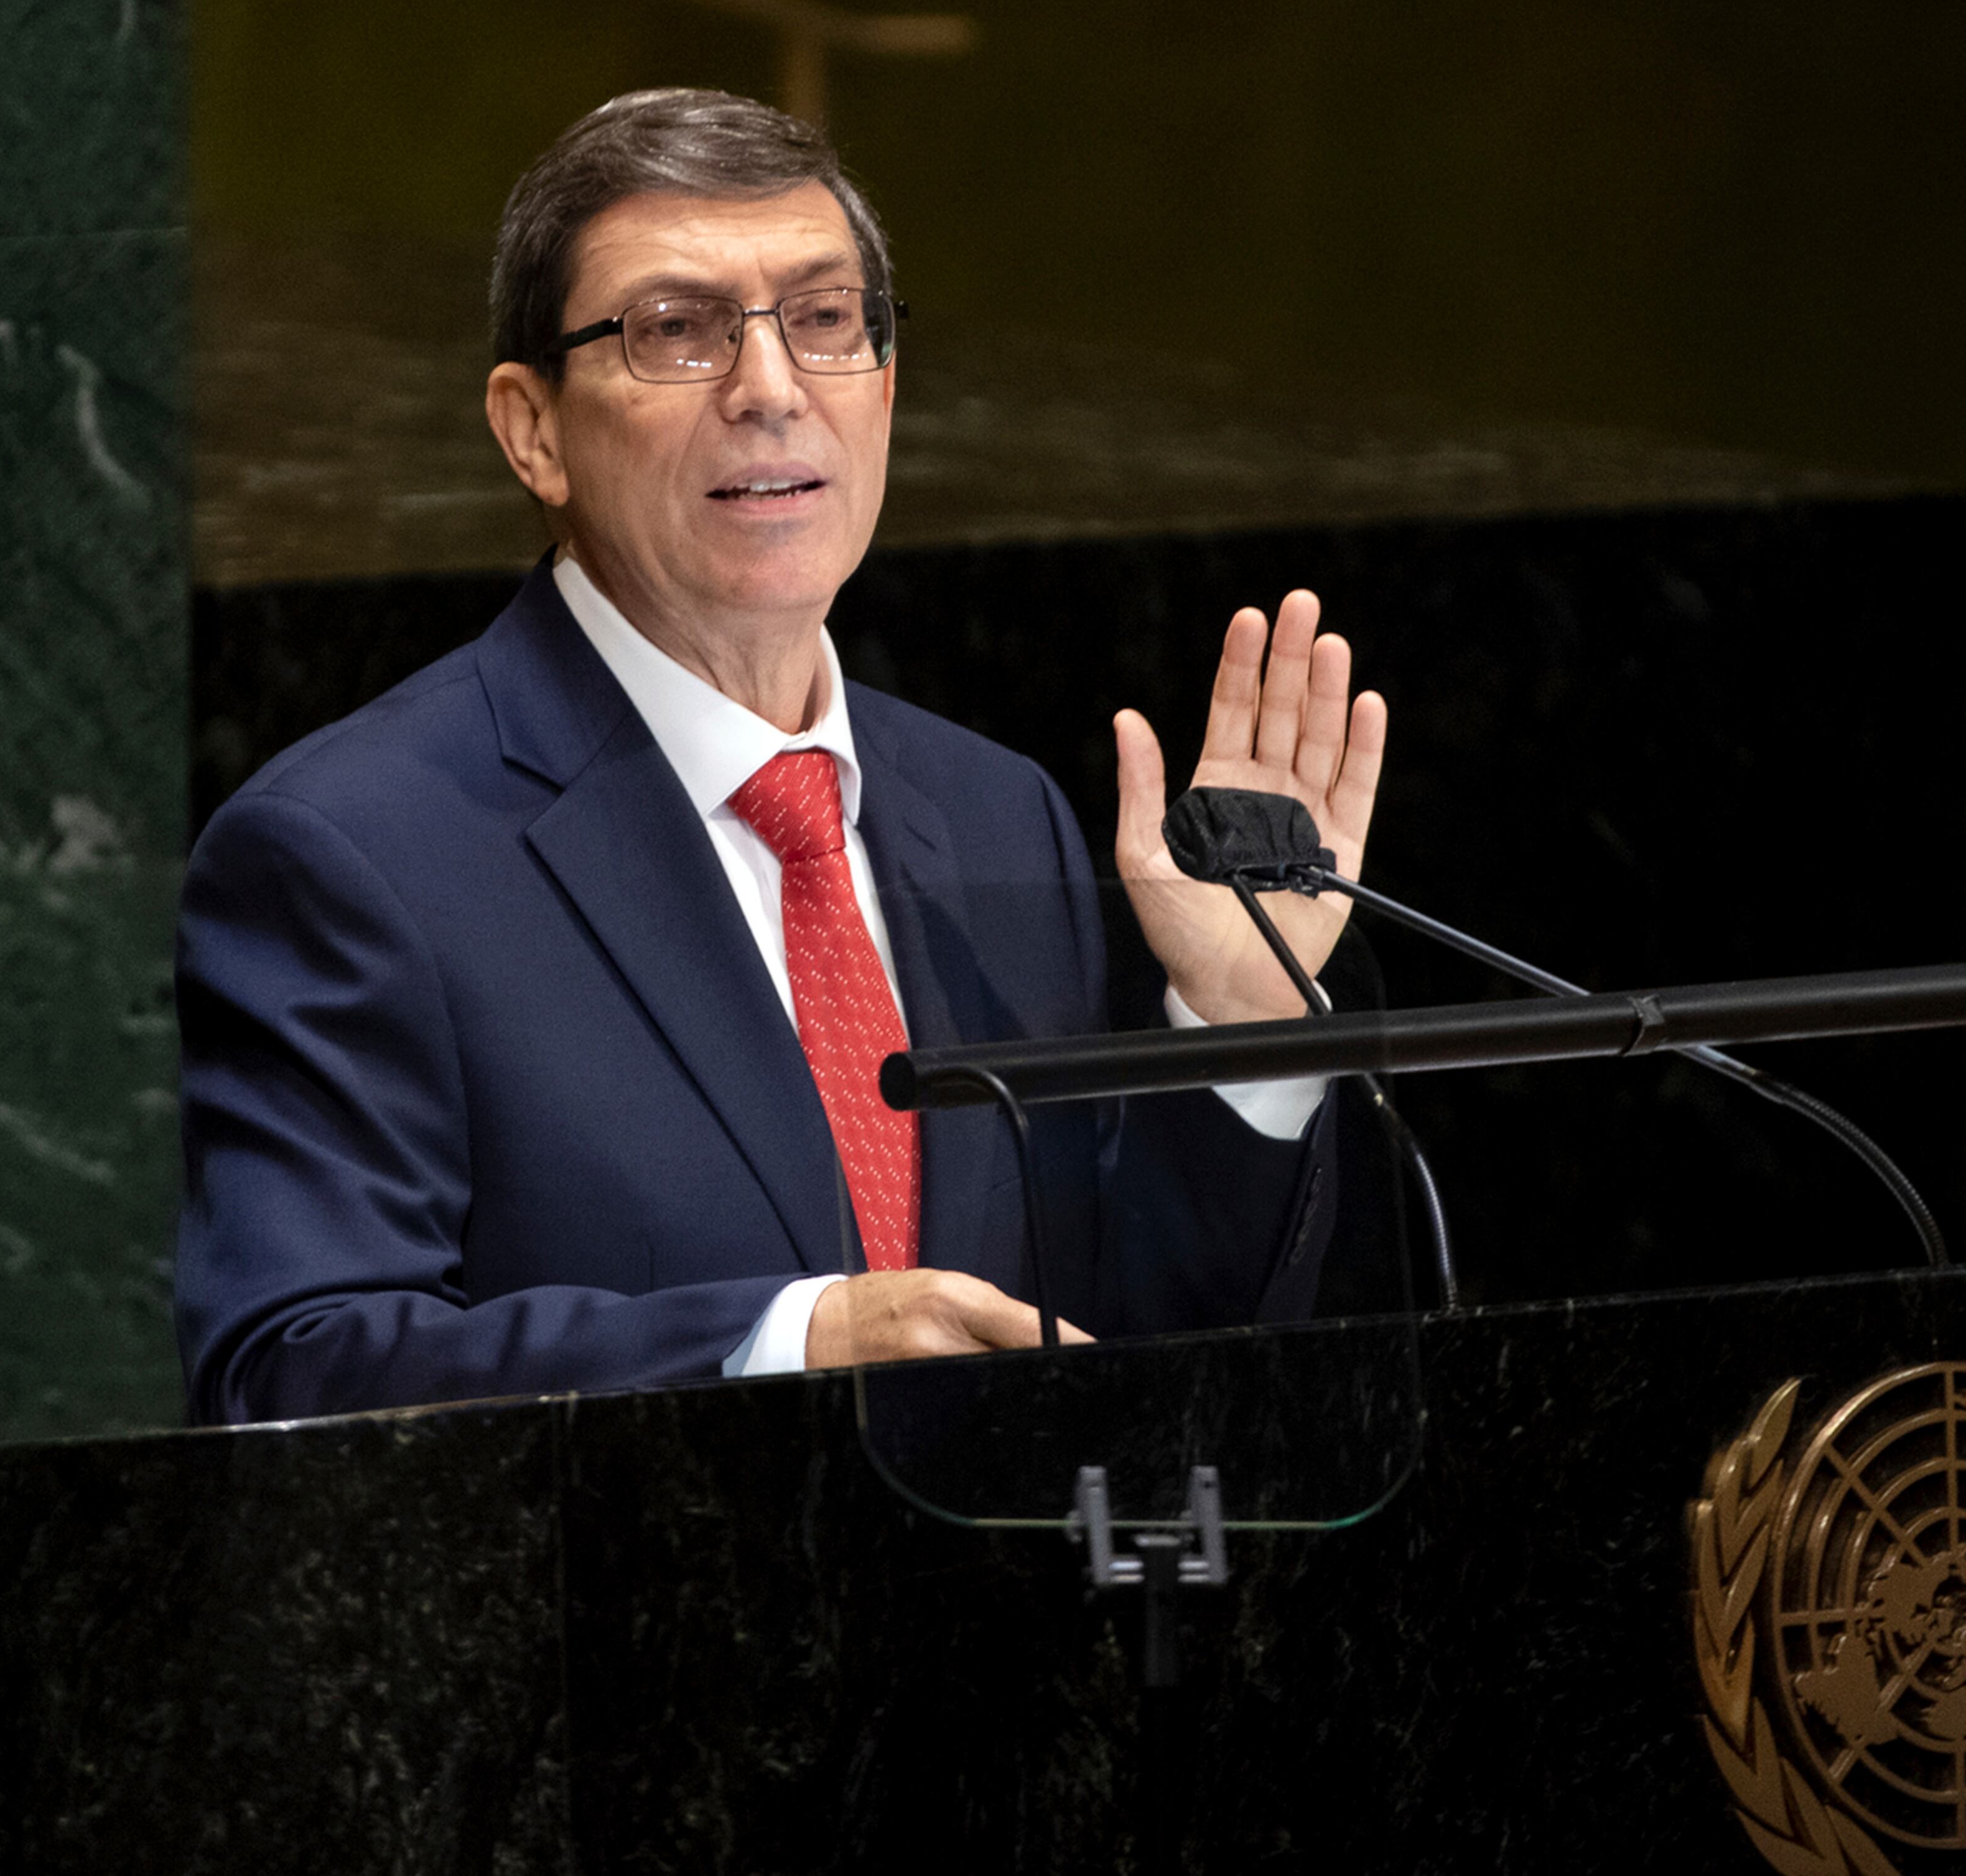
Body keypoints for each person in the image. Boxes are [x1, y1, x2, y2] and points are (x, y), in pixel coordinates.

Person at [173, 88, 1389, 1422]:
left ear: (884, 387)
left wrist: (1232, 1027)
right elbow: (293, 1369)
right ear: (533, 430)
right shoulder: (355, 849)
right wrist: (786, 1341)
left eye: (822, 320)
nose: (770, 390)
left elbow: (1130, 1368)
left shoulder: (994, 815)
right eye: (675, 332)